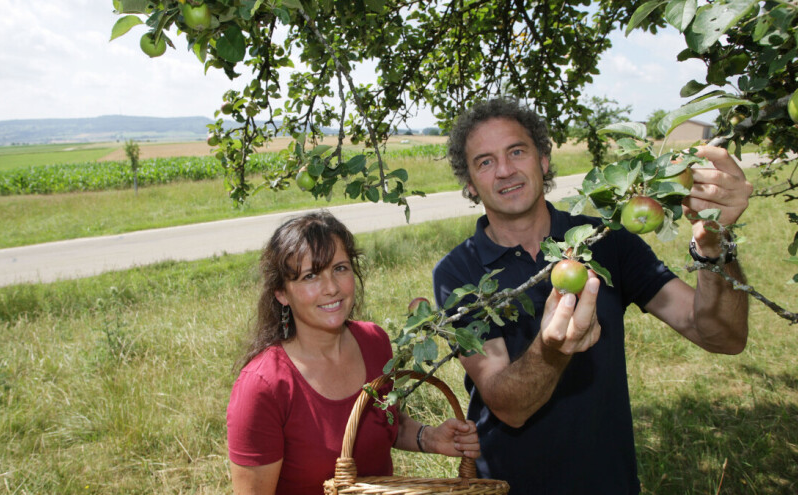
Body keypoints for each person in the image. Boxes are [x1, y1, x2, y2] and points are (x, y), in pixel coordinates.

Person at [432, 98, 752, 494]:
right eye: (484, 161)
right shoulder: (458, 274)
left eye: (517, 151)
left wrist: (714, 246)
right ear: (469, 182)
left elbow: (721, 336)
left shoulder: (606, 241)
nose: (504, 171)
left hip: (609, 482)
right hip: (507, 485)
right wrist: (552, 352)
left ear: (544, 160)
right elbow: (507, 406)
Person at [227, 210, 480, 495]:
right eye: (311, 276)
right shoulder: (263, 387)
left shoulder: (375, 342)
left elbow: (384, 422)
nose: (332, 288)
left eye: (340, 268)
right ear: (282, 293)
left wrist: (428, 437)